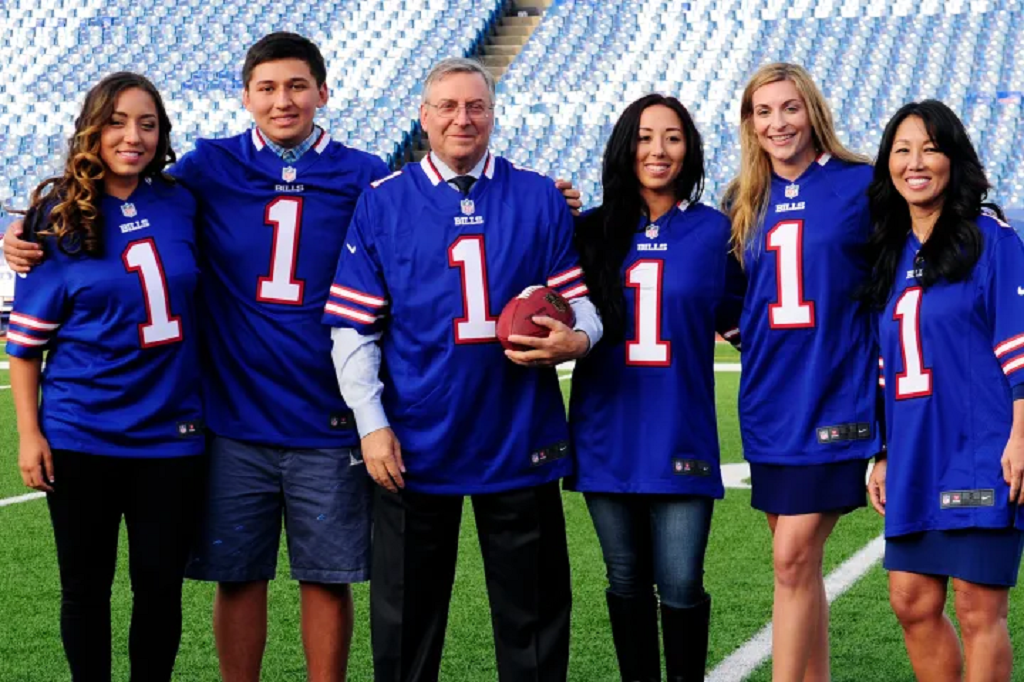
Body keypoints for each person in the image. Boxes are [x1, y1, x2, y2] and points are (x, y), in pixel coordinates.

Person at [5, 32, 389, 682]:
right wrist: (25, 231)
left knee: (326, 578)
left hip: (324, 413)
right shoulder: (209, 167)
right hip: (228, 416)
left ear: (323, 93)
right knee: (236, 576)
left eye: (298, 85)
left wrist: (548, 198)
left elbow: (428, 212)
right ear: (245, 98)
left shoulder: (365, 172)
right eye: (266, 87)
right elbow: (110, 194)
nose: (283, 100)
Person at [325, 57, 602, 682]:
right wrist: (371, 424)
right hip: (416, 436)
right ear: (423, 118)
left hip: (518, 430)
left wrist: (578, 339)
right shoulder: (384, 202)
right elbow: (353, 329)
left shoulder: (536, 194)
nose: (462, 118)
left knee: (533, 620)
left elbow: (576, 300)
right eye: (447, 107)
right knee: (404, 625)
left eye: (475, 106)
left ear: (493, 114)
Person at [7, 72, 204, 682]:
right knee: (85, 590)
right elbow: (24, 346)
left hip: (172, 433)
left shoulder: (182, 200)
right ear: (93, 128)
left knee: (160, 590)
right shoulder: (56, 216)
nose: (133, 136)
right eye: (117, 121)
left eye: (147, 123)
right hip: (80, 433)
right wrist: (29, 433)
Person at [566, 94, 742, 682]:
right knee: (625, 578)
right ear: (625, 146)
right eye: (644, 137)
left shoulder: (716, 232)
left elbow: (754, 327)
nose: (658, 150)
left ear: (688, 148)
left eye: (672, 137)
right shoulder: (588, 231)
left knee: (683, 581)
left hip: (681, 429)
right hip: (605, 429)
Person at [721, 62, 880, 682]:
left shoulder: (863, 184)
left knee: (791, 560)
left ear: (813, 111)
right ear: (749, 123)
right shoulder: (741, 197)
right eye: (763, 112)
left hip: (837, 395)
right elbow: (730, 300)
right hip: (768, 403)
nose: (777, 122)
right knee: (797, 568)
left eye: (789, 108)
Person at [861, 100, 1024, 682]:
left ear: (954, 158)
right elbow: (887, 363)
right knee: (911, 600)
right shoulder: (891, 251)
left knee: (979, 609)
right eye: (902, 150)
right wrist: (881, 450)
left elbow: (1020, 346)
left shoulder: (991, 239)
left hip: (981, 447)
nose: (916, 162)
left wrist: (1021, 437)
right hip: (914, 450)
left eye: (930, 147)